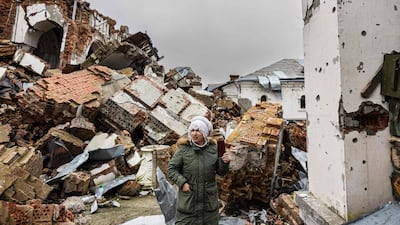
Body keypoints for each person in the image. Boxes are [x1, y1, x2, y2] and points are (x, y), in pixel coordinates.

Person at [167, 115, 230, 225]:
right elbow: (171, 169)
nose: (194, 134)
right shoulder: (183, 149)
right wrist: (182, 183)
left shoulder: (216, 148)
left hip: (208, 205)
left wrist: (225, 162)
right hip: (189, 205)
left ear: (205, 133)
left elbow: (221, 172)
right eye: (192, 130)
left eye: (198, 131)